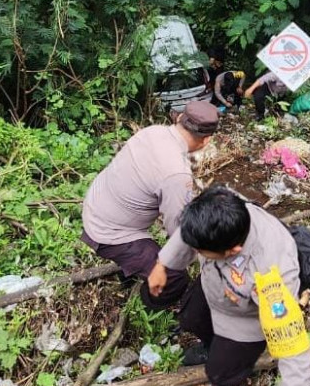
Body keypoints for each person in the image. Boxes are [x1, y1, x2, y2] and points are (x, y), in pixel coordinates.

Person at [148, 187, 310, 386]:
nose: (195, 252)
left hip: (244, 319)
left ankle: (235, 370)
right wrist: (162, 263)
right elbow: (193, 229)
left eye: (199, 251)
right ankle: (210, 345)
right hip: (215, 285)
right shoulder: (225, 205)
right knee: (190, 318)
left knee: (220, 373)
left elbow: (291, 343)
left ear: (232, 251)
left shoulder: (271, 276)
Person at [81, 101, 218, 310]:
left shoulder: (153, 132)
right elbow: (179, 232)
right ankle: (148, 303)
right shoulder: (176, 175)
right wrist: (205, 257)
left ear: (179, 118)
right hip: (110, 233)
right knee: (175, 278)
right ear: (206, 140)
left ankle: (134, 269)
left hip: (95, 203)